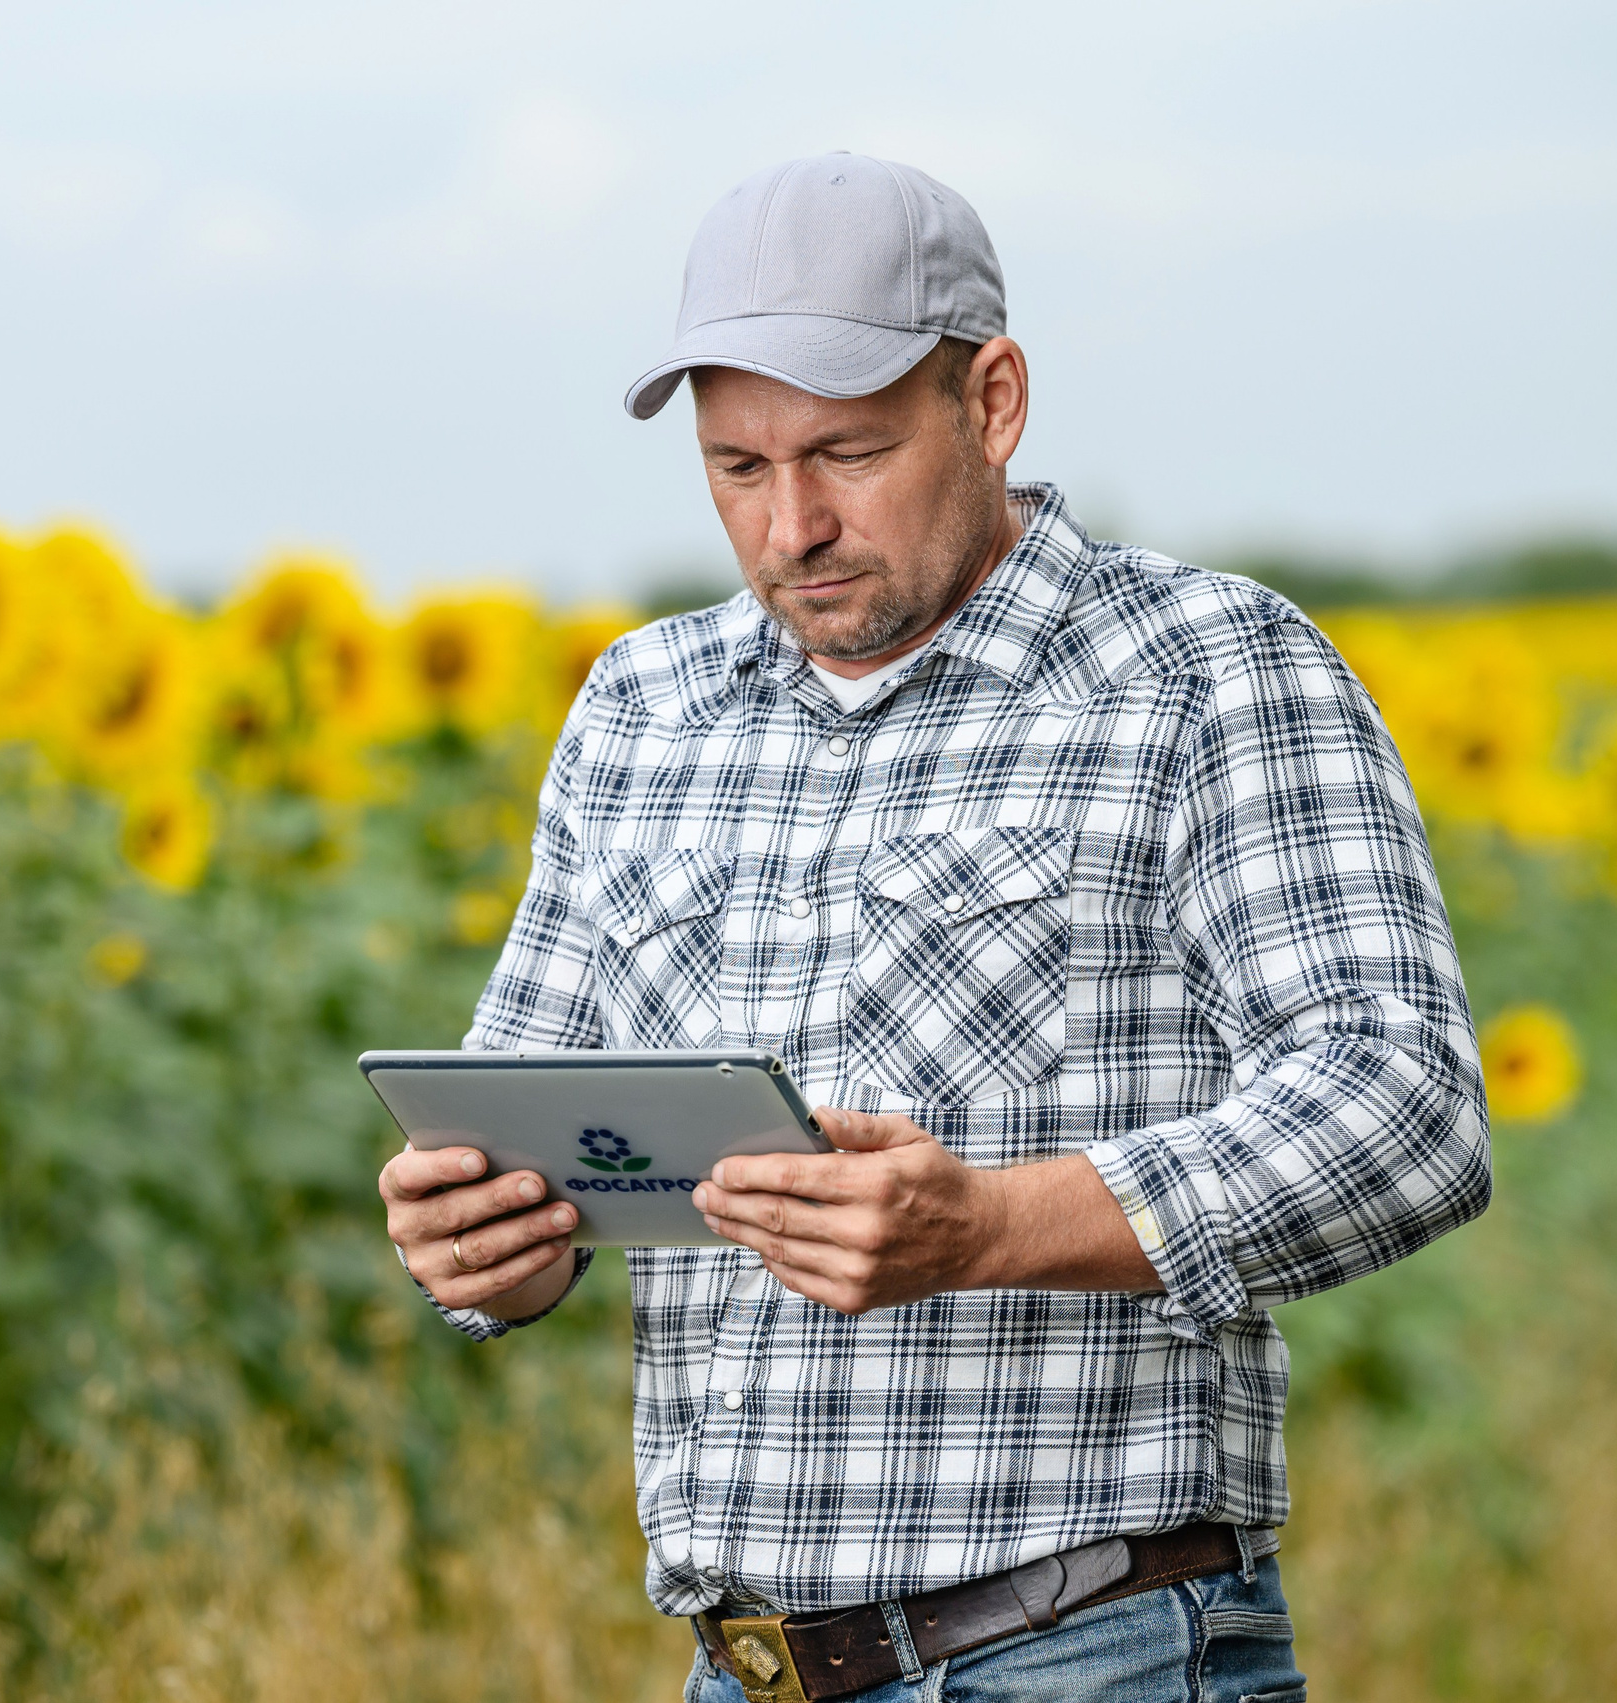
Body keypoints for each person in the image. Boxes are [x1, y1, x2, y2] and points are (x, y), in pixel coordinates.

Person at [377, 153, 1490, 1702]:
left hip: (1092, 1650)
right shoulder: (642, 706)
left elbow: (1404, 1110)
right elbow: (535, 1121)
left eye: (848, 453)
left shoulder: (1209, 671)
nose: (794, 526)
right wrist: (486, 1246)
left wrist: (990, 1229)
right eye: (739, 468)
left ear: (996, 401)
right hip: (745, 1668)